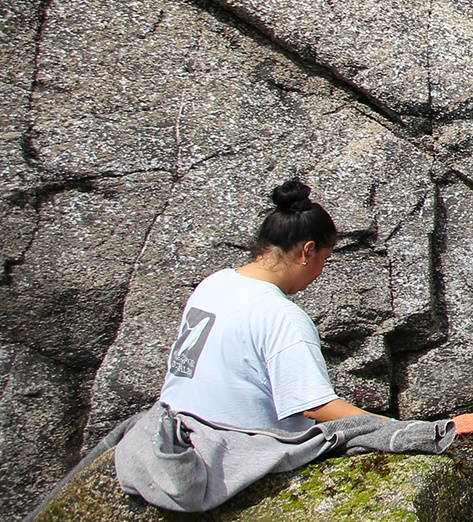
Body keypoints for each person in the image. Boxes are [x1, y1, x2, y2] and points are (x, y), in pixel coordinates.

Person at [157, 179, 370, 431]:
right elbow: (316, 405)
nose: (320, 271)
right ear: (307, 251)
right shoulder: (280, 315)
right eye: (324, 258)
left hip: (171, 433)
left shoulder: (213, 284)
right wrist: (398, 427)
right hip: (230, 449)